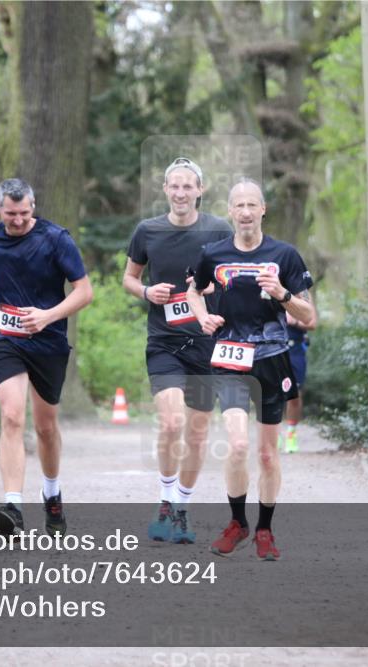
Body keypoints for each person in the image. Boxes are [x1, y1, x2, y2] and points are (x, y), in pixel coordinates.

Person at [187, 178, 316, 561]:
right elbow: (194, 290)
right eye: (238, 205)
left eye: (251, 205)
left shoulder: (285, 256)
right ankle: (237, 523)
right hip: (229, 357)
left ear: (263, 210)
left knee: (266, 455)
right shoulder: (212, 254)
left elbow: (309, 316)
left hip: (273, 358)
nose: (245, 212)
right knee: (239, 444)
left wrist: (282, 294)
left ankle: (264, 529)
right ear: (230, 211)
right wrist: (202, 318)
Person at [0, 178, 93, 537]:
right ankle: (13, 505)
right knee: (12, 415)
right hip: (4, 337)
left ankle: (52, 494)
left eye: (25, 213)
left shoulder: (56, 239)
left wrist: (48, 315)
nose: (19, 220)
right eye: (11, 214)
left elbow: (85, 292)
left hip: (48, 341)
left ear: (33, 207)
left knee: (45, 427)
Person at [123, 157, 232, 544]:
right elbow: (129, 277)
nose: (181, 193)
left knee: (198, 432)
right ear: (165, 190)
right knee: (171, 423)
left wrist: (209, 289)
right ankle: (166, 500)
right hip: (164, 340)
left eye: (189, 186)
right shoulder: (147, 231)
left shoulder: (219, 229)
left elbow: (232, 277)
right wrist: (146, 292)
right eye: (175, 186)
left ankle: (182, 508)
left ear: (200, 190)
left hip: (205, 341)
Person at [281, 313, 315, 453]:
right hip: (272, 346)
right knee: (272, 393)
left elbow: (312, 323)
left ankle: (291, 434)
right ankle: (273, 432)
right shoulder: (265, 291)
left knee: (294, 395)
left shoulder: (302, 293)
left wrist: (293, 321)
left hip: (295, 350)